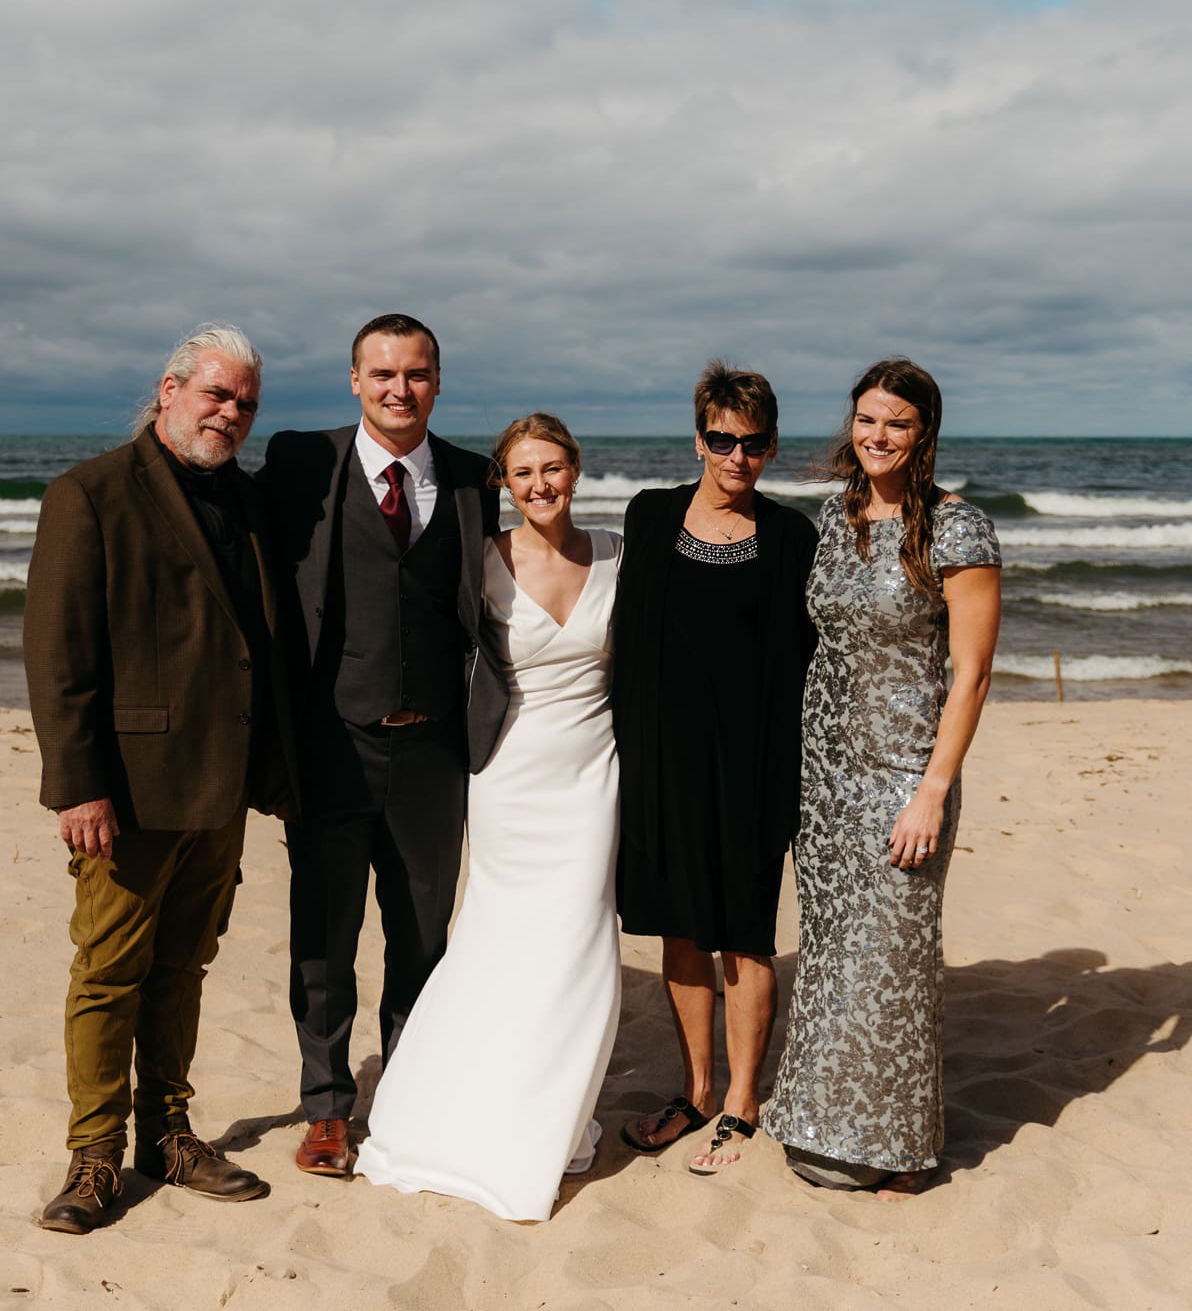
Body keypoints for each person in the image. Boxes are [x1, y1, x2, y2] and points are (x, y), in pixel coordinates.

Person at [23, 323, 300, 1234]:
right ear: (169, 388)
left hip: (220, 785)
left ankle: (168, 1134)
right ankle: (95, 1155)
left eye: (246, 403)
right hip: (128, 789)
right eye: (217, 395)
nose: (231, 414)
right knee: (109, 970)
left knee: (185, 965)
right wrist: (77, 783)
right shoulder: (91, 494)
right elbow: (58, 653)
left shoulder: (247, 501)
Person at [355, 414, 623, 1221]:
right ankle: (463, 1105)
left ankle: (555, 1104)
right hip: (510, 775)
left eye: (553, 467)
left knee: (579, 943)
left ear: (576, 468)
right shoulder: (483, 559)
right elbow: (417, 638)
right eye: (523, 472)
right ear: (504, 482)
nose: (540, 484)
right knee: (499, 939)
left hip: (594, 774)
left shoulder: (619, 551)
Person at [255, 314, 500, 1178]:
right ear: (354, 381)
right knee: (324, 935)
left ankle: (407, 1089)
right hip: (332, 745)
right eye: (384, 374)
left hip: (434, 752)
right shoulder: (300, 461)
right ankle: (326, 1108)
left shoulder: (474, 477)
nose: (402, 389)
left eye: (419, 374)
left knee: (422, 935)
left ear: (439, 381)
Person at [764, 357, 1002, 1200]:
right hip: (824, 769)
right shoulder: (834, 519)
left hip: (905, 768)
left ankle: (900, 1145)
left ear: (923, 433)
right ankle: (828, 1124)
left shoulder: (958, 528)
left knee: (896, 953)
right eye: (867, 419)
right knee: (835, 951)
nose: (878, 436)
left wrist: (932, 787)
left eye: (896, 423)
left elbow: (970, 674)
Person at [612, 360, 818, 1174]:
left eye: (754, 442)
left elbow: (811, 656)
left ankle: (742, 1102)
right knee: (683, 929)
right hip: (665, 763)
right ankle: (697, 1090)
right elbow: (624, 635)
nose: (738, 456)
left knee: (744, 934)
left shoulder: (791, 535)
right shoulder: (652, 514)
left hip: (752, 765)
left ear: (770, 445)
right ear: (699, 438)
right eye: (723, 439)